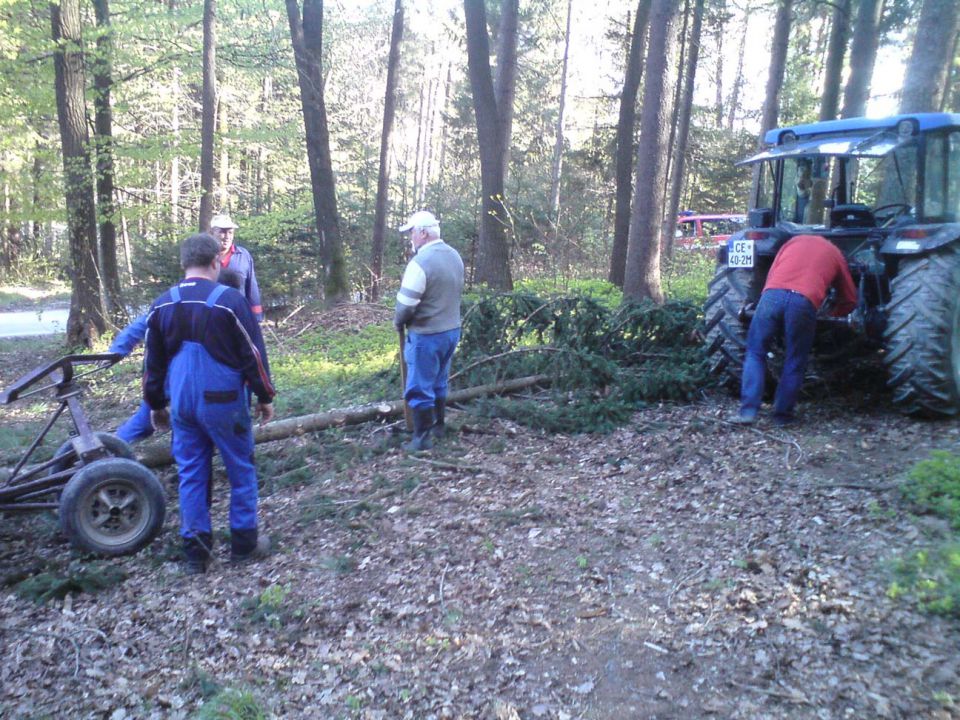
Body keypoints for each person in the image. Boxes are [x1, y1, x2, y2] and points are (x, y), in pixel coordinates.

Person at [144, 233, 276, 574]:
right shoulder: (229, 301)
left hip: (182, 402)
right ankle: (245, 545)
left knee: (191, 473)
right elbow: (253, 354)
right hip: (223, 400)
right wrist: (265, 396)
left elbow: (152, 364)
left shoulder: (162, 303)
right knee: (240, 468)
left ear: (184, 263)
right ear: (216, 261)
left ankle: (196, 553)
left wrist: (155, 404)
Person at [109, 267, 247, 445]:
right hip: (166, 380)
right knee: (145, 423)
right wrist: (115, 352)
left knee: (185, 426)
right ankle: (109, 453)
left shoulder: (225, 307)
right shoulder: (180, 303)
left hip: (196, 383)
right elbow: (141, 325)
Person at [734, 234, 857, 426]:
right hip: (803, 302)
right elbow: (850, 298)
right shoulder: (835, 253)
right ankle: (782, 417)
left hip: (771, 296)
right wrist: (833, 315)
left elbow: (773, 274)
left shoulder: (792, 242)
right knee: (795, 359)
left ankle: (748, 412)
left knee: (755, 352)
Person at [394, 210, 464, 451]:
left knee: (420, 385)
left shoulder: (420, 263)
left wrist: (398, 321)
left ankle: (421, 438)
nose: (411, 238)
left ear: (423, 233)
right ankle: (439, 426)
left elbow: (406, 306)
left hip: (427, 334)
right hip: (452, 330)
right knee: (439, 381)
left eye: (412, 232)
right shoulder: (454, 256)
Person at [209, 213, 264, 321]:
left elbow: (251, 287)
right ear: (211, 233)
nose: (227, 237)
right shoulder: (204, 256)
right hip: (211, 318)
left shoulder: (243, 255)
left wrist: (256, 317)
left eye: (230, 232)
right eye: (222, 232)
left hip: (239, 316)